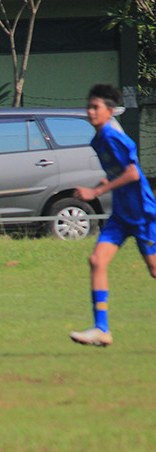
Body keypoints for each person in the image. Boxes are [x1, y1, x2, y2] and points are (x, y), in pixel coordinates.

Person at [69, 83, 156, 347]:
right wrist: (97, 188)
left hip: (142, 214)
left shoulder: (113, 137)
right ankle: (101, 329)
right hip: (120, 215)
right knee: (96, 261)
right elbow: (116, 173)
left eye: (96, 107)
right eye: (89, 107)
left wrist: (96, 192)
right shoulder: (97, 141)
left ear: (109, 111)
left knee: (154, 269)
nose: (90, 112)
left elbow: (132, 173)